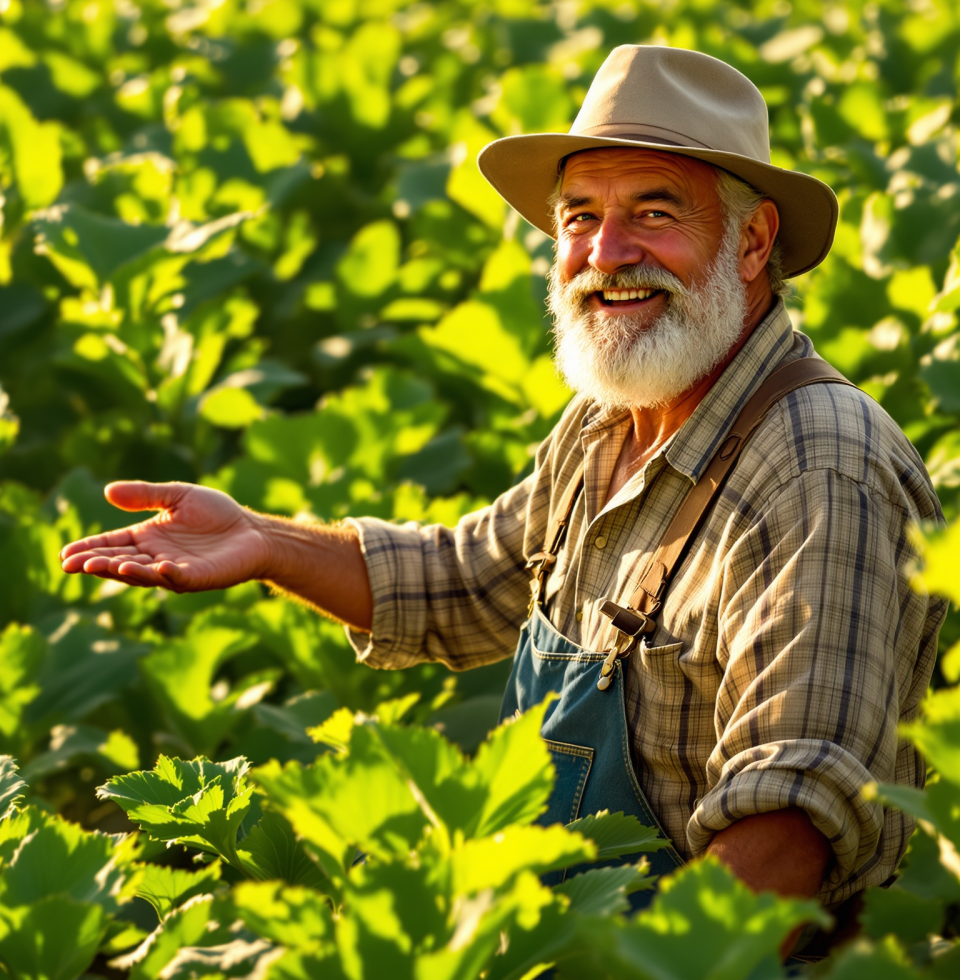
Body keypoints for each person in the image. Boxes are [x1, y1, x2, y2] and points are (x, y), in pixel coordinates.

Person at [61, 45, 945, 952]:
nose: (606, 253)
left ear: (754, 241)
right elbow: (465, 582)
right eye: (579, 218)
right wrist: (263, 541)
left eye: (652, 211)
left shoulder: (818, 467)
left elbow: (787, 830)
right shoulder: (610, 424)